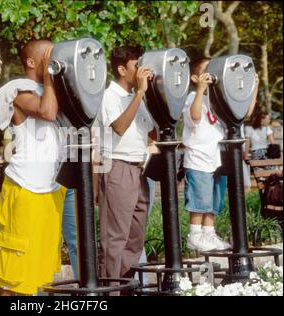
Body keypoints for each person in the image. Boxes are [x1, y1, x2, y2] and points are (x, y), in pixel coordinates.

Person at [0, 39, 66, 296]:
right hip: (24, 187)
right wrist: (51, 75)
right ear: (32, 62)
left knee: (40, 267)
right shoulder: (18, 89)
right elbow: (47, 112)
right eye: (48, 55)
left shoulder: (54, 88)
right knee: (15, 270)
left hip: (50, 187)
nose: (54, 58)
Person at [182, 57, 258, 252]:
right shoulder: (192, 97)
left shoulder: (218, 99)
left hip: (218, 158)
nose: (210, 74)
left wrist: (253, 87)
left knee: (214, 199)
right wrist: (200, 90)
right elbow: (195, 116)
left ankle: (209, 233)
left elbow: (244, 114)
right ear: (194, 77)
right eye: (205, 70)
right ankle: (195, 234)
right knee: (200, 199)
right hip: (199, 157)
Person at [97, 45, 155, 288]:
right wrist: (140, 94)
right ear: (122, 69)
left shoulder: (136, 98)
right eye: (136, 66)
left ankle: (124, 287)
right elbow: (118, 127)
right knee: (115, 239)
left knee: (135, 238)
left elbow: (153, 133)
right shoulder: (108, 95)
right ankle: (108, 292)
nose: (141, 71)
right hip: (117, 167)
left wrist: (151, 96)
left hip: (139, 169)